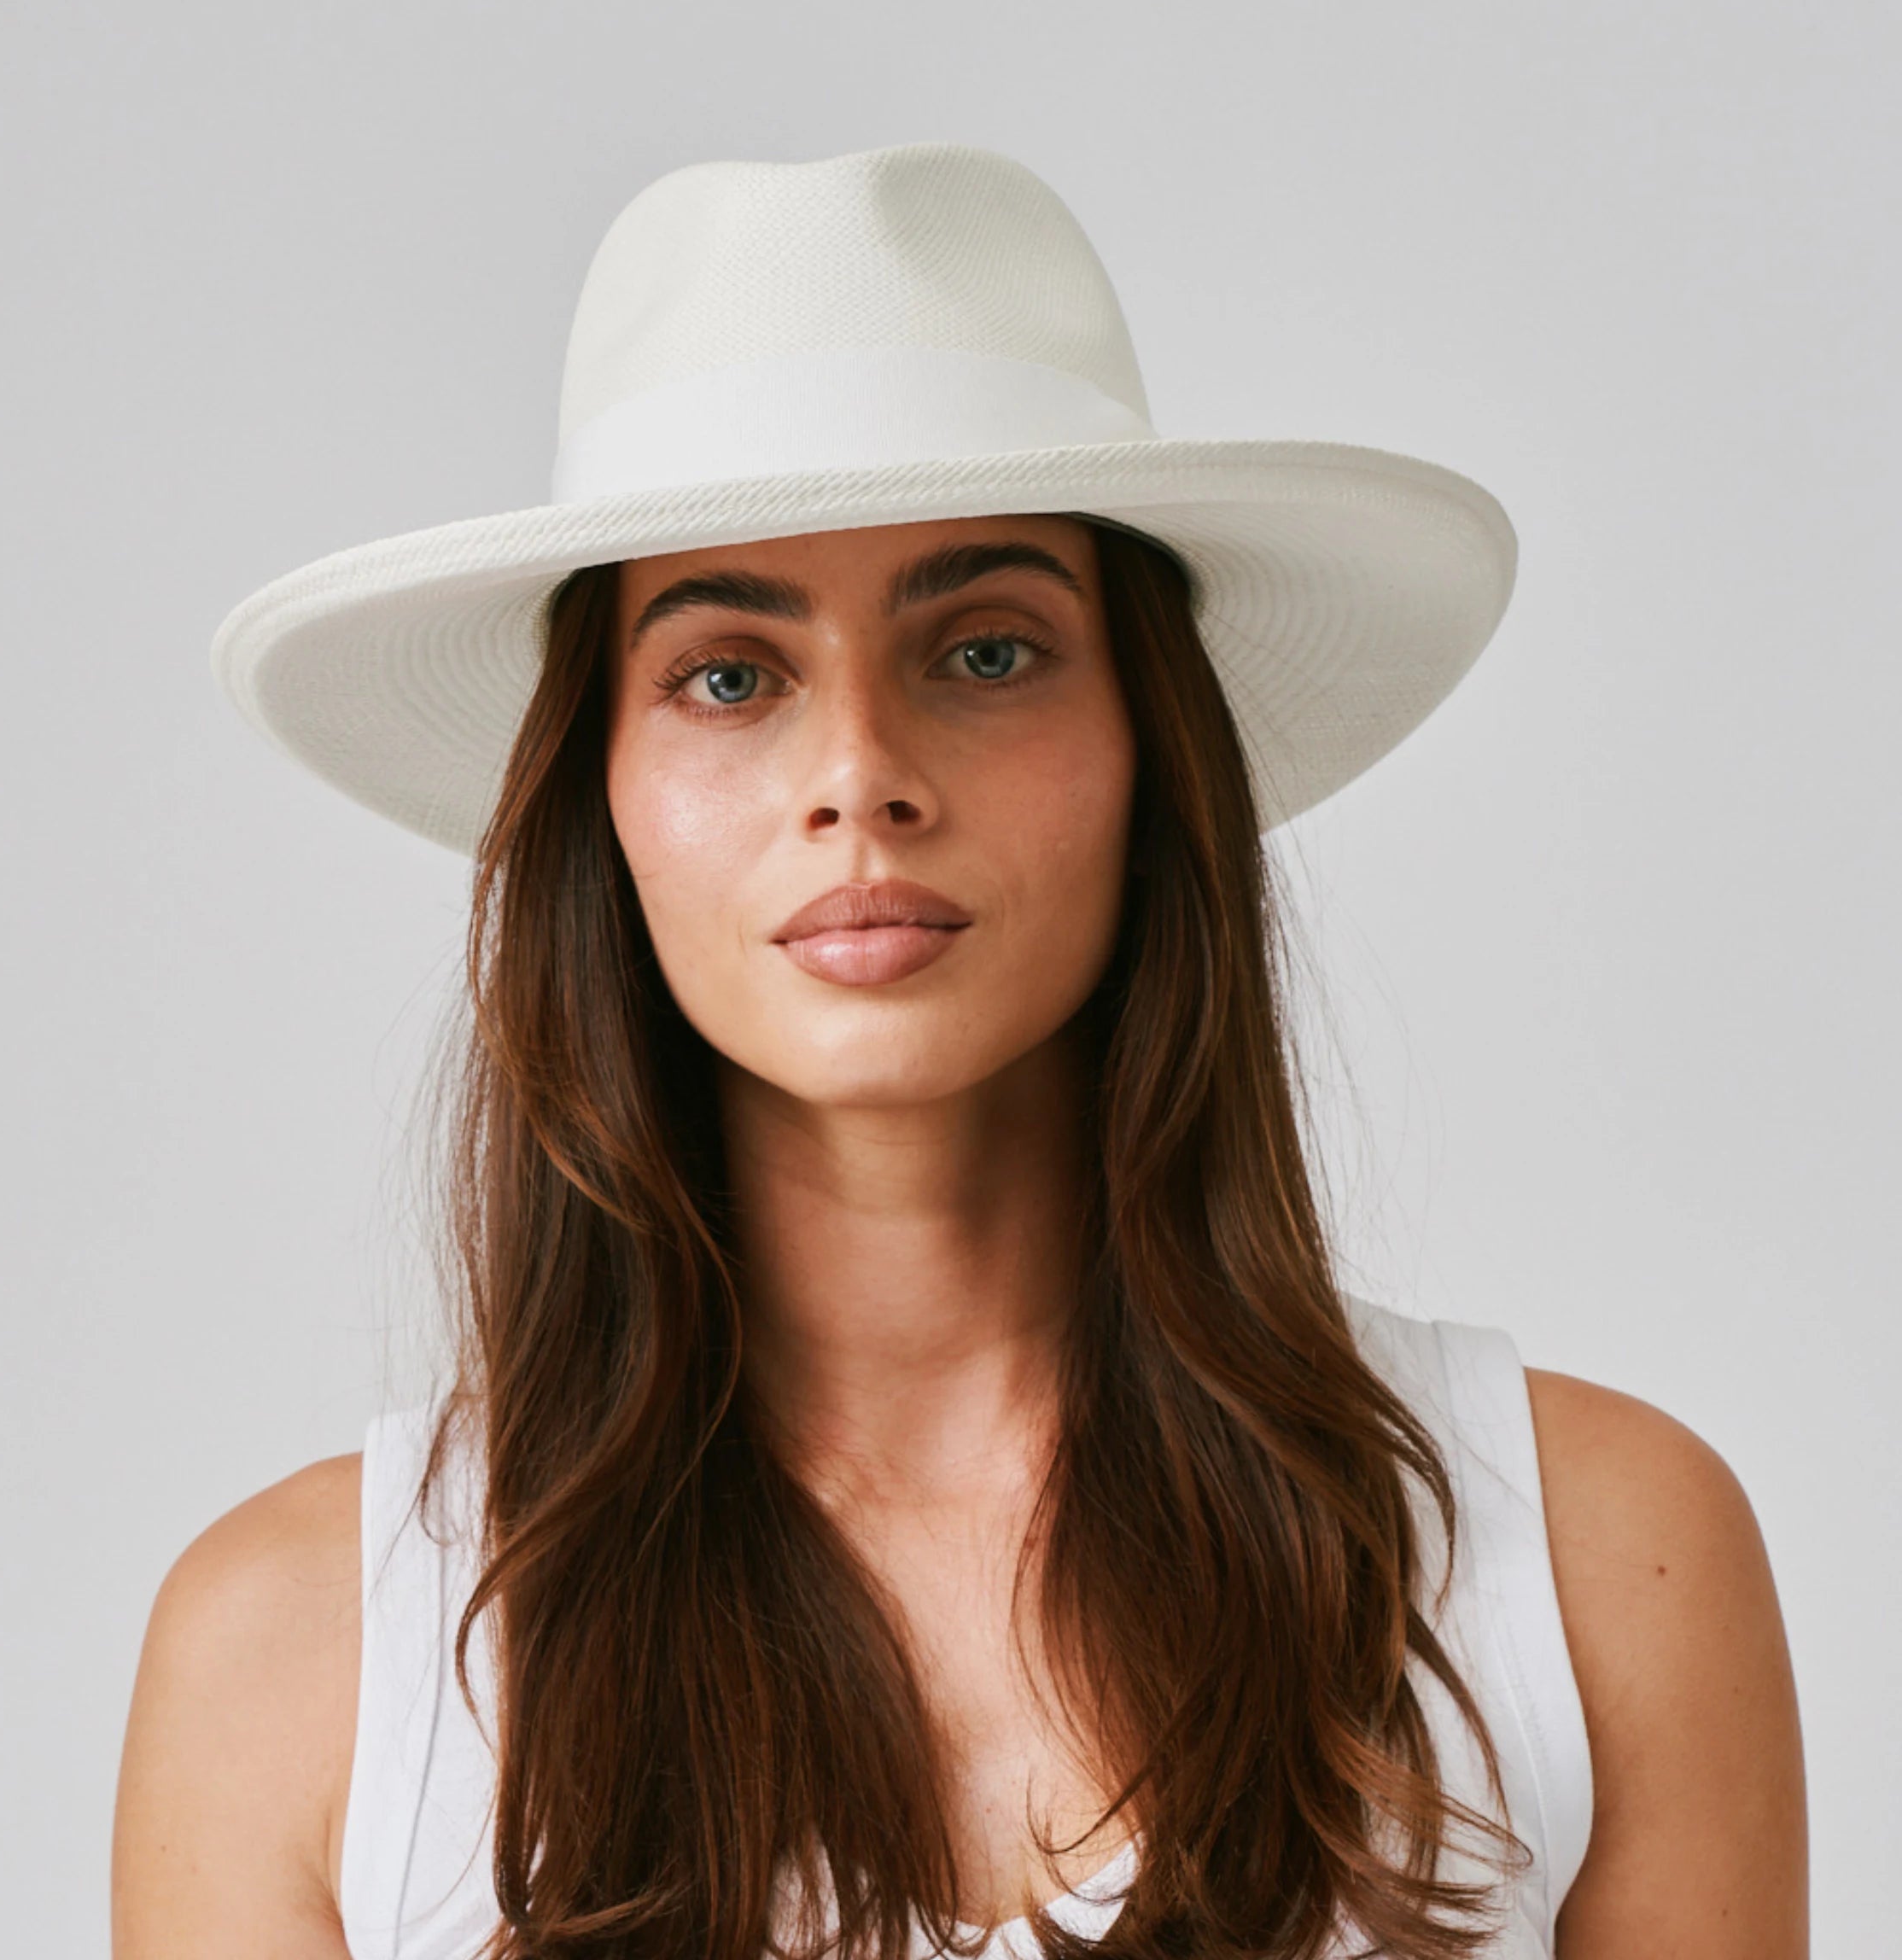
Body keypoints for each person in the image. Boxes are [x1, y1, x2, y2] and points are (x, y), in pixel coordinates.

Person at [111, 144, 1806, 1959]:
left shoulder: (1602, 1565)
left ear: (1155, 743)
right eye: (730, 675)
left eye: (988, 650)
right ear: (596, 794)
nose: (861, 774)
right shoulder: (296, 1663)